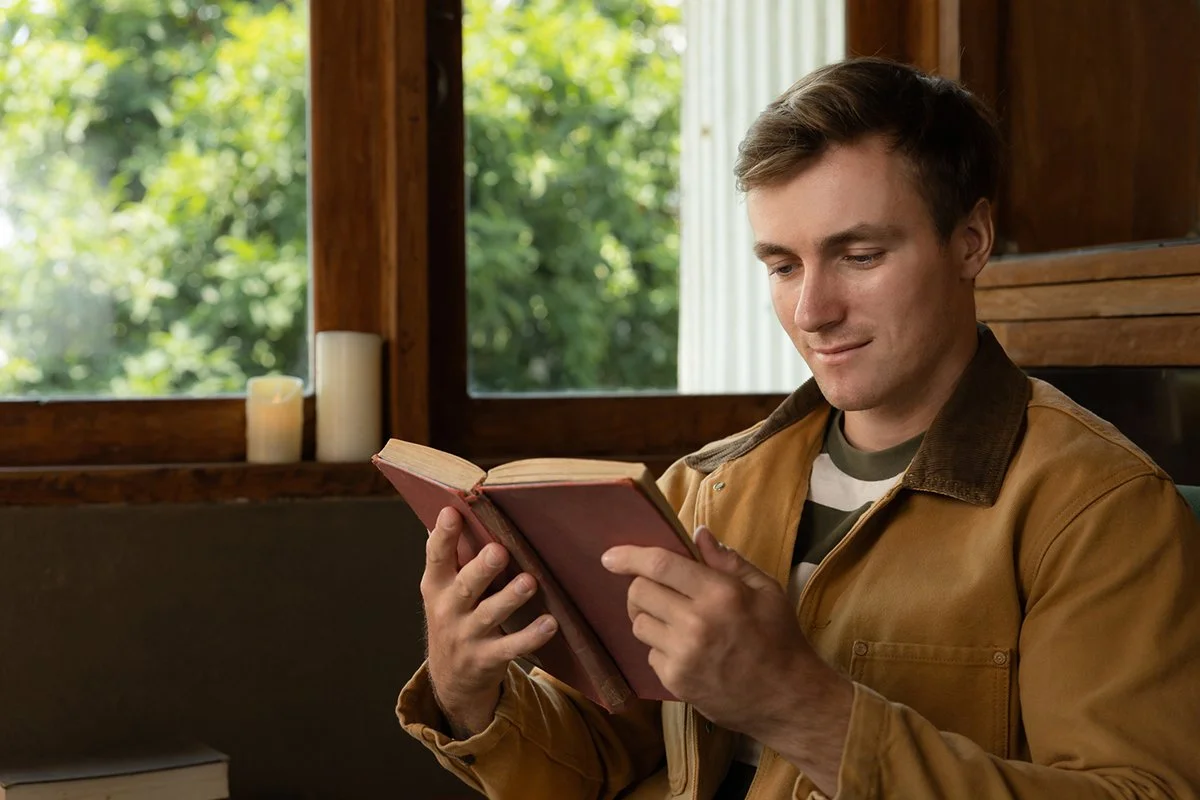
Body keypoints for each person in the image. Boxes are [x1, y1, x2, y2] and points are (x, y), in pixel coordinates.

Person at [396, 57, 1200, 799]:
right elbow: (603, 764)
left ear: (971, 240)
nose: (812, 311)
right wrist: (474, 696)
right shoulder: (703, 491)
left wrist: (797, 706)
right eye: (782, 266)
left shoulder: (1097, 507)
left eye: (859, 255)